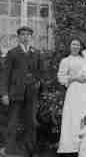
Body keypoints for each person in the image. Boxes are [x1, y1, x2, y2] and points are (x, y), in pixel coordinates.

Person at [0, 26, 43, 157]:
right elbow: (5, 75)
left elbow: (41, 72)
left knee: (31, 122)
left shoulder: (36, 52)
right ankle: (10, 150)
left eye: (28, 34)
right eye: (22, 34)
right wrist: (4, 94)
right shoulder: (12, 53)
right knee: (13, 122)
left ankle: (29, 150)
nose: (25, 37)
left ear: (31, 37)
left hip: (31, 94)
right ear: (18, 37)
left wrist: (37, 83)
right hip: (15, 94)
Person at [57, 38, 86, 156]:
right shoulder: (66, 61)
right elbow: (61, 78)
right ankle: (72, 146)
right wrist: (75, 78)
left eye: (78, 45)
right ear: (70, 46)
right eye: (73, 44)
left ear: (81, 47)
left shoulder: (85, 59)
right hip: (74, 90)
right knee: (74, 116)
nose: (75, 46)